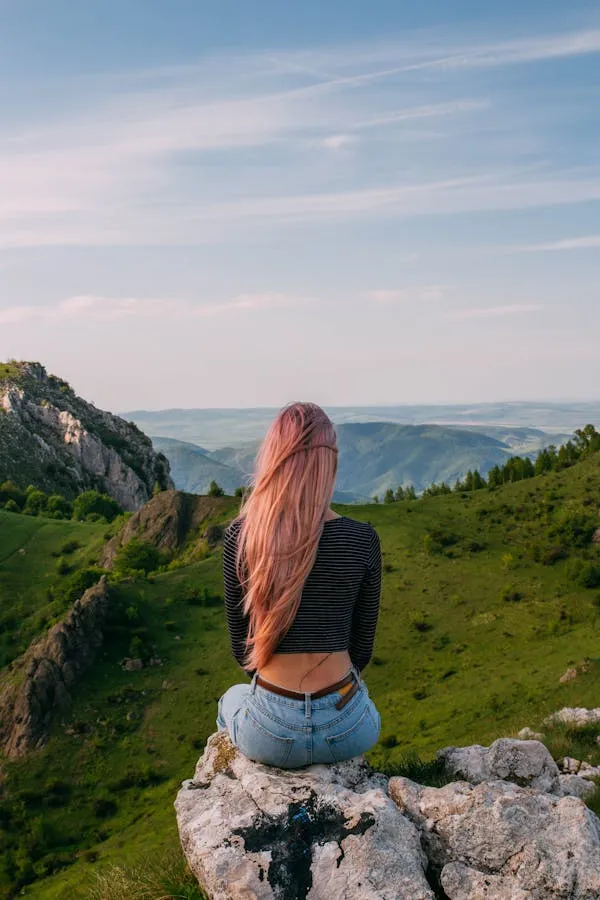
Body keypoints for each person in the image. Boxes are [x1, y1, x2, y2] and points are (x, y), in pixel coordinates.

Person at [217, 401, 382, 768]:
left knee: (231, 699)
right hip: (349, 728)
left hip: (270, 733)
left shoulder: (242, 538)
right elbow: (361, 650)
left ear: (274, 458)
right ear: (330, 462)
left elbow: (241, 650)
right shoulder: (362, 539)